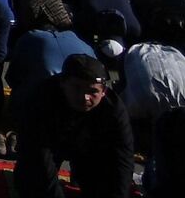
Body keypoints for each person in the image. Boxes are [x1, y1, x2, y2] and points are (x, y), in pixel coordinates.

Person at [13, 53, 134, 198]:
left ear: (103, 92)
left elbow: (123, 158)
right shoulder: (41, 99)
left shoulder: (114, 110)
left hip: (89, 149)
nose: (85, 97)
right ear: (63, 83)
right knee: (32, 182)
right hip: (49, 144)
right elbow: (38, 155)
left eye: (93, 91)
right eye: (77, 88)